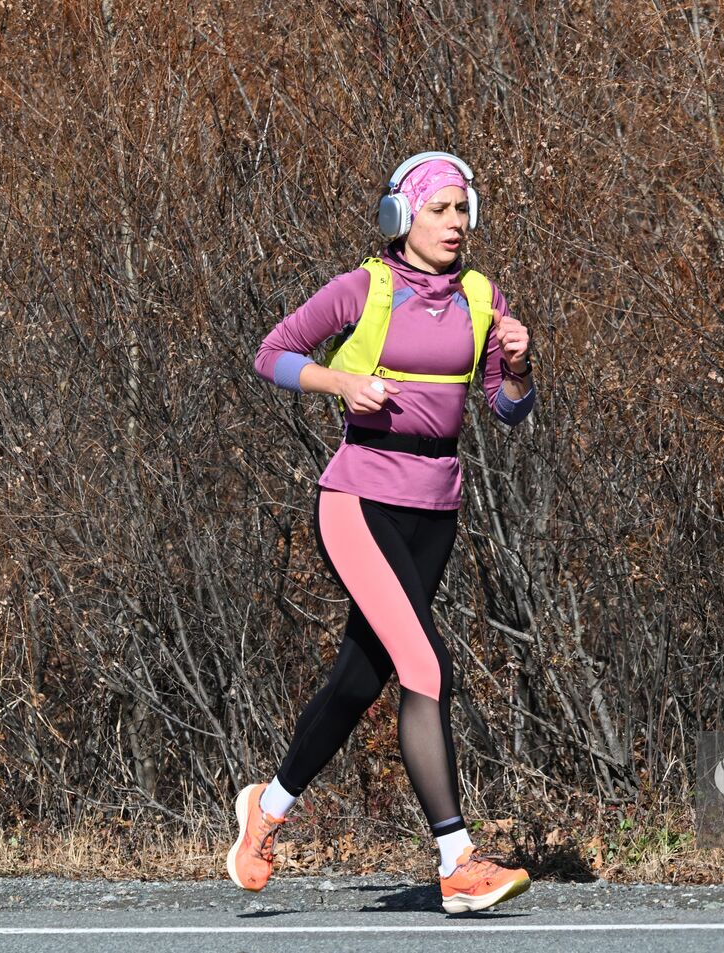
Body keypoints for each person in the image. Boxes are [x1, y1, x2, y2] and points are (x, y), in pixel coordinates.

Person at [228, 151, 537, 915]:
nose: (456, 224)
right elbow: (271, 353)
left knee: (362, 676)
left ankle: (264, 810)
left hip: (436, 509)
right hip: (358, 499)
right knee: (427, 667)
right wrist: (341, 382)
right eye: (441, 210)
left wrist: (523, 369)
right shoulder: (364, 287)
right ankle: (457, 860)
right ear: (402, 218)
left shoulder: (480, 296)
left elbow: (505, 410)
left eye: (464, 210)